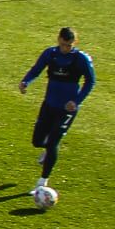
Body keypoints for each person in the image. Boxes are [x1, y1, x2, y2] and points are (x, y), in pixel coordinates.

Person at [19, 26, 96, 195]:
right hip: (49, 104)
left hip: (66, 109)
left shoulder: (80, 59)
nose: (65, 48)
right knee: (37, 141)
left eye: (68, 45)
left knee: (53, 143)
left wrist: (76, 101)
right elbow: (36, 69)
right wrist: (25, 82)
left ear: (74, 43)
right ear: (58, 40)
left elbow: (90, 82)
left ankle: (42, 182)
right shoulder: (50, 54)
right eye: (63, 45)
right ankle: (46, 153)